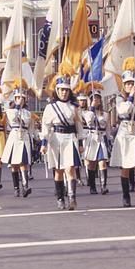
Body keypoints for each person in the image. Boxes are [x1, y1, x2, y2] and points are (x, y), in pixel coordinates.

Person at [109, 58, 135, 208]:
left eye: (131, 83)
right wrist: (131, 97)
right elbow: (123, 110)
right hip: (125, 133)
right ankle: (126, 196)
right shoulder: (120, 99)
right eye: (127, 83)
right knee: (126, 167)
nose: (129, 86)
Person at [40, 74, 84, 210]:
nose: (64, 92)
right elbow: (45, 126)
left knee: (70, 168)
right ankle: (60, 198)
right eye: (61, 90)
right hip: (56, 139)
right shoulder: (50, 107)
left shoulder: (74, 107)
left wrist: (81, 143)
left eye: (66, 90)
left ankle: (72, 198)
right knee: (58, 171)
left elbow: (79, 126)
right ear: (57, 90)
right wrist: (43, 144)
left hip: (70, 138)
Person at [1, 80, 33, 197]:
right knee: (14, 164)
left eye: (22, 98)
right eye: (18, 98)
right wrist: (17, 107)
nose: (20, 100)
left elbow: (27, 123)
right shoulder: (10, 111)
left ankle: (25, 186)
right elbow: (13, 118)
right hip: (14, 136)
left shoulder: (27, 113)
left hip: (24, 137)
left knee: (23, 162)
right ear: (15, 100)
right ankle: (16, 187)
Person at [81, 86, 110, 195]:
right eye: (93, 98)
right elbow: (89, 121)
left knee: (102, 162)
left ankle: (103, 186)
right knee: (92, 164)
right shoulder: (86, 113)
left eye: (97, 98)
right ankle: (92, 186)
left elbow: (107, 128)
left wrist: (109, 140)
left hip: (101, 138)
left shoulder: (105, 114)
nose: (96, 100)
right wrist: (92, 108)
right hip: (91, 138)